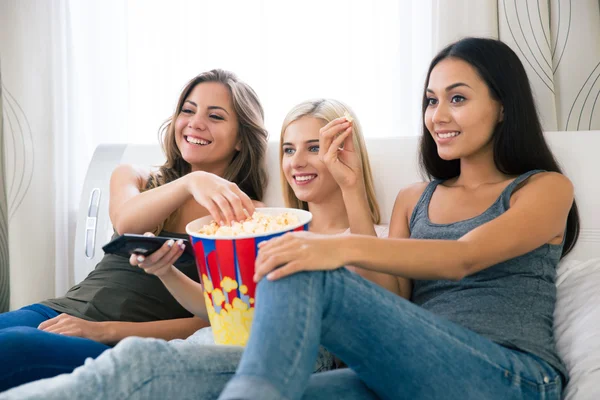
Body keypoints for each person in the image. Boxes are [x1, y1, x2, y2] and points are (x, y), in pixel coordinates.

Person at [215, 37, 580, 400]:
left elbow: (463, 258)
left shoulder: (545, 189)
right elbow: (390, 301)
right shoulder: (414, 198)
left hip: (512, 377)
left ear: (503, 107)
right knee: (295, 390)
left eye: (457, 98)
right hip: (417, 372)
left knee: (300, 263)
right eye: (431, 100)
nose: (438, 116)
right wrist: (351, 188)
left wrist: (335, 247)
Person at [0, 99, 403, 399]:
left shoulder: (375, 235)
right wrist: (165, 271)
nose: (297, 161)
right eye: (288, 148)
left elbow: (383, 313)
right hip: (199, 348)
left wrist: (351, 188)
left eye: (314, 147)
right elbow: (222, 308)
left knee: (117, 364)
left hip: (262, 359)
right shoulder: (267, 227)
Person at [0, 69, 269, 392]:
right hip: (57, 310)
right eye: (188, 110)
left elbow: (215, 317)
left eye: (215, 116)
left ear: (241, 138)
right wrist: (191, 182)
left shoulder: (247, 216)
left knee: (13, 349)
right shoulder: (136, 177)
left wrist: (103, 331)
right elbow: (127, 222)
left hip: (115, 340)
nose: (196, 122)